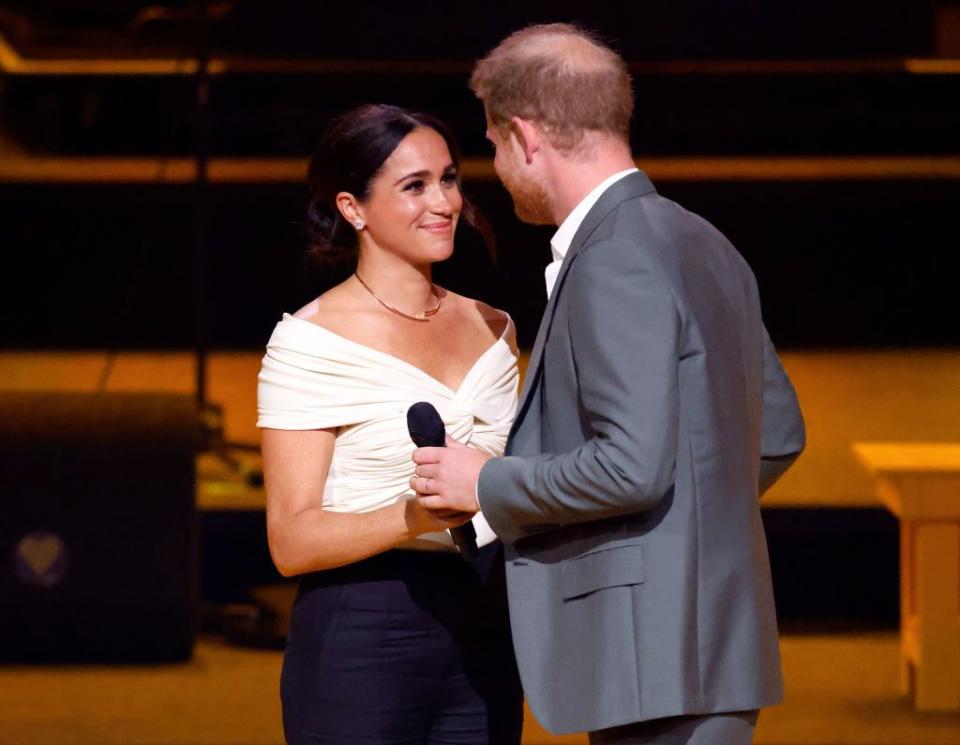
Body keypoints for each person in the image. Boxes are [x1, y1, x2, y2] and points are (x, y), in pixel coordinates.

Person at [411, 24, 806, 745]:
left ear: (526, 138)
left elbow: (631, 464)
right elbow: (777, 434)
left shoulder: (613, 258)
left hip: (648, 659)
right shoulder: (702, 239)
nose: (496, 168)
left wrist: (488, 481)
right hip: (707, 647)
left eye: (495, 147)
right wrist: (688, 545)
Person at [257, 103, 523, 745]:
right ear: (354, 208)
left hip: (487, 622)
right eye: (414, 186)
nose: (444, 202)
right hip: (363, 629)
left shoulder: (495, 327)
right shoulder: (310, 342)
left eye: (450, 179)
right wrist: (415, 516)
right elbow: (291, 542)